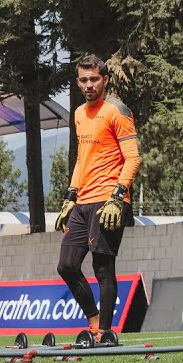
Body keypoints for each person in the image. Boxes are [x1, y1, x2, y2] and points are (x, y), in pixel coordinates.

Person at [54, 54, 141, 342]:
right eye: (83, 80)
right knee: (66, 265)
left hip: (109, 201)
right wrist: (70, 196)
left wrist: (118, 196)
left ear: (105, 79)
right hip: (83, 201)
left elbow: (132, 158)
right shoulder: (79, 114)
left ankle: (104, 331)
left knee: (102, 269)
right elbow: (82, 159)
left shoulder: (118, 110)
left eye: (94, 79)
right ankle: (93, 320)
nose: (89, 84)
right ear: (78, 82)